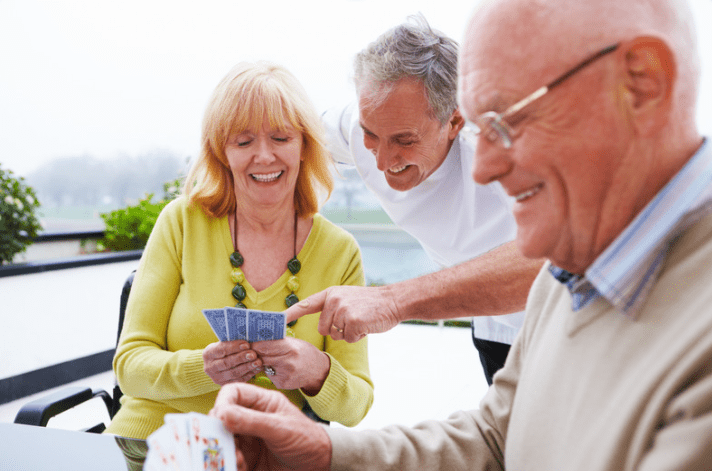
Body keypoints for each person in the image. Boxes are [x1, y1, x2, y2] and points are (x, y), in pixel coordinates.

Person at [209, 0, 712, 469]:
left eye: (507, 121)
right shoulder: (568, 273)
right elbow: (496, 437)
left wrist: (391, 300)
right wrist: (321, 451)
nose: (485, 167)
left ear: (642, 85)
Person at [105, 61, 374, 440]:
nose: (263, 157)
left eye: (281, 138)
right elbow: (129, 366)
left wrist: (318, 372)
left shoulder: (339, 252)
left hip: (267, 450)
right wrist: (203, 368)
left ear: (304, 146)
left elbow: (356, 406)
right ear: (222, 153)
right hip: (153, 435)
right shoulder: (181, 222)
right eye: (243, 141)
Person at [287, 15, 544, 385]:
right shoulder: (361, 124)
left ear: (455, 122)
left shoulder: (501, 146)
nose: (381, 162)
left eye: (404, 141)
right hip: (492, 323)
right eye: (371, 135)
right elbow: (277, 133)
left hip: (562, 319)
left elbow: (549, 259)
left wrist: (391, 301)